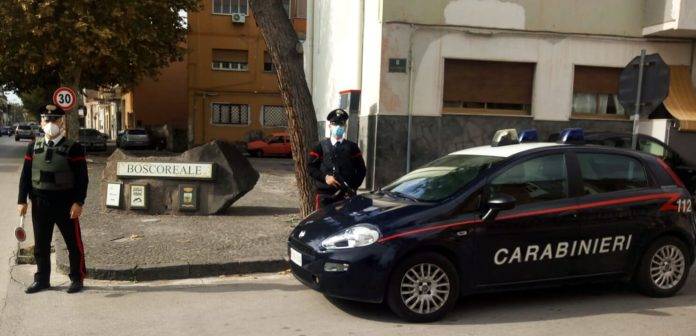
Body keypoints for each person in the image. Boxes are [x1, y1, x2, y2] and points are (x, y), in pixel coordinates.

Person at [17, 104, 88, 294]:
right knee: (41, 244)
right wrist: (21, 200)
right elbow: (25, 175)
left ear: (61, 122)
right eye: (46, 119)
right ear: (41, 122)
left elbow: (82, 178)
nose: (50, 123)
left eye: (54, 119)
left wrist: (78, 202)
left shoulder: (74, 148)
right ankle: (42, 279)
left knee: (73, 244)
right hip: (40, 203)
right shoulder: (33, 147)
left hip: (66, 204)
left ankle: (77, 278)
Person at [308, 109, 366, 209]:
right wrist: (325, 177)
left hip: (346, 195)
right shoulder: (320, 146)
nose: (338, 127)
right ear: (330, 126)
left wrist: (353, 186)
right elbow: (311, 167)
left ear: (345, 127)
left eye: (341, 124)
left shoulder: (352, 147)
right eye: (335, 124)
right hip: (325, 194)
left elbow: (361, 169)